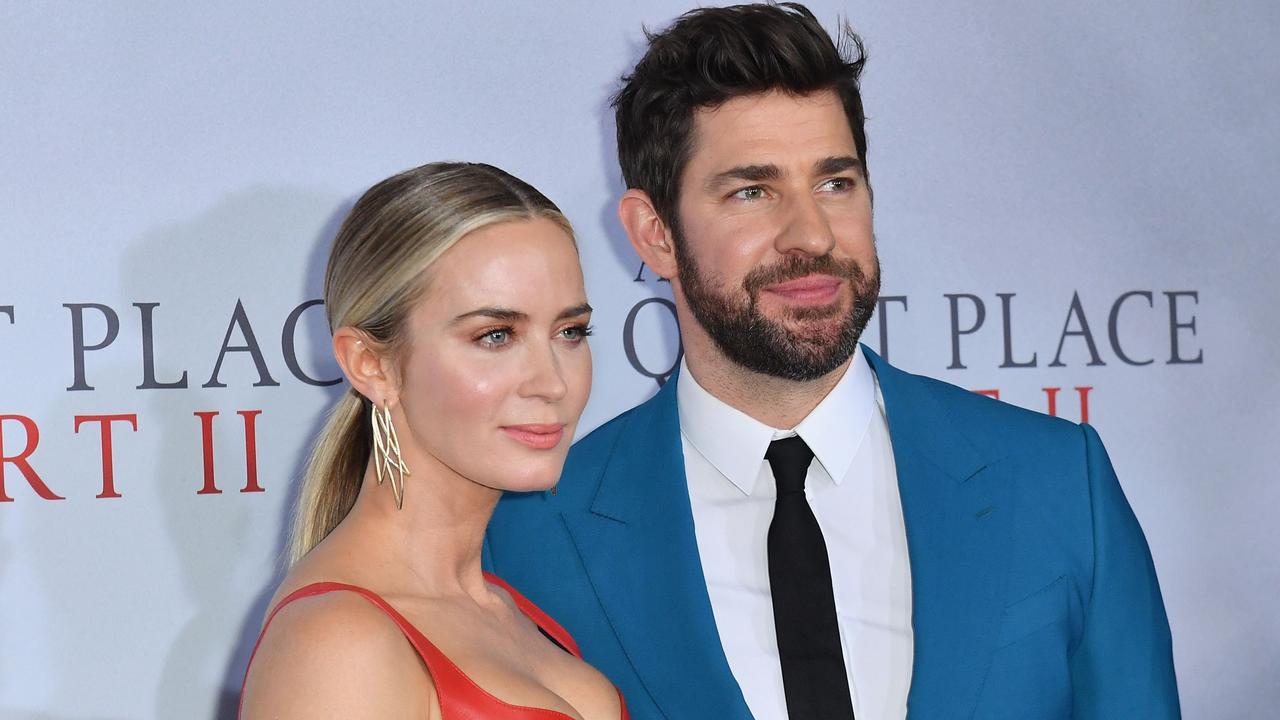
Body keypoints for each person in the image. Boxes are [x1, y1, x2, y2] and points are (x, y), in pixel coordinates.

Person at [484, 4, 1180, 719]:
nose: (811, 235)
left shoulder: (1058, 481)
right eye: (753, 192)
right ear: (655, 234)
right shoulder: (533, 537)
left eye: (835, 183)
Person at [239, 162, 629, 719]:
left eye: (570, 332)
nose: (553, 382)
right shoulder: (339, 645)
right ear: (371, 364)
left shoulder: (508, 609)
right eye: (496, 336)